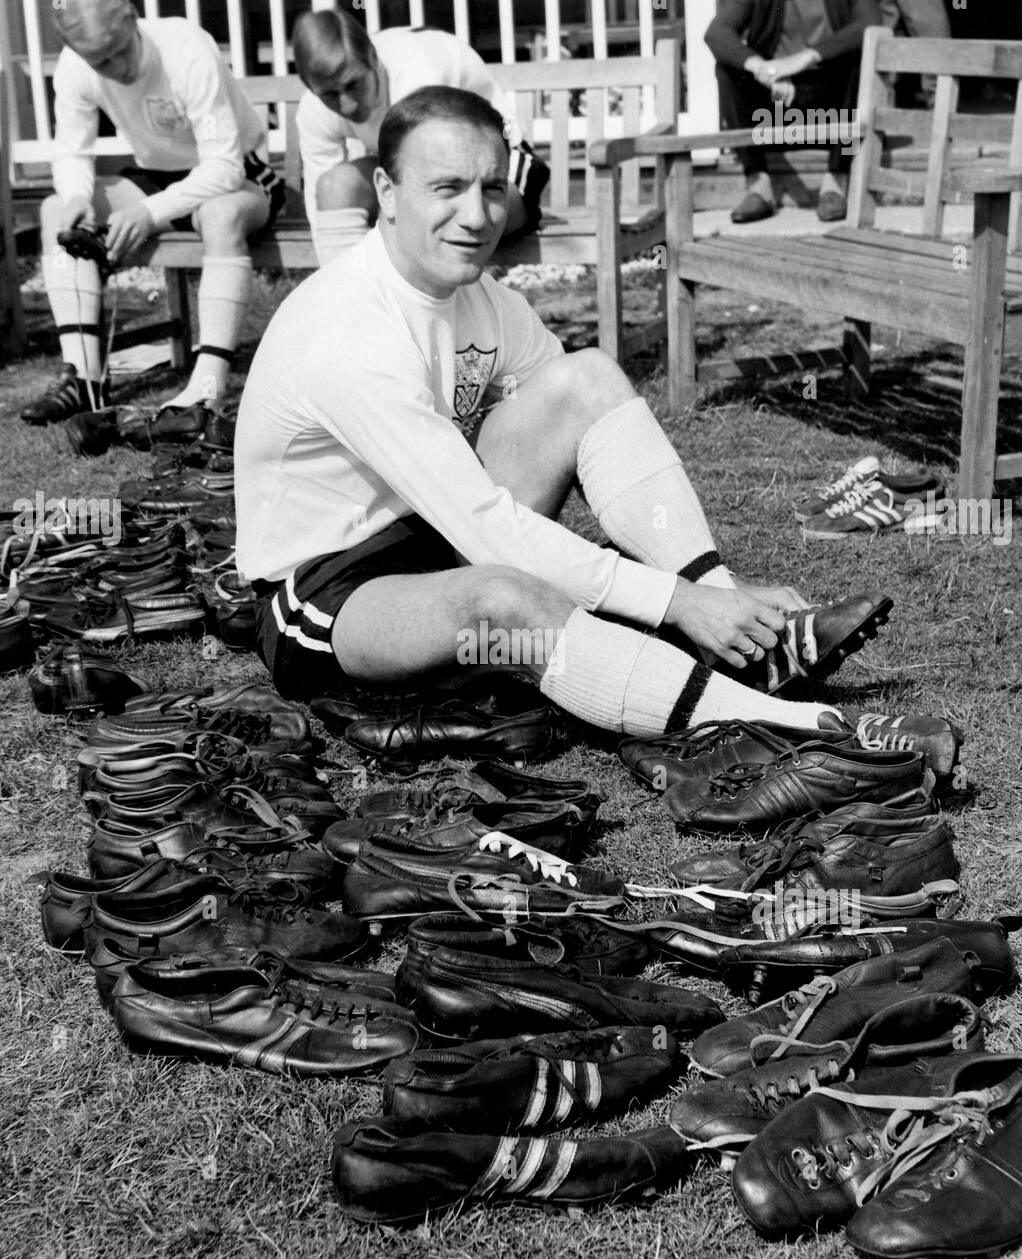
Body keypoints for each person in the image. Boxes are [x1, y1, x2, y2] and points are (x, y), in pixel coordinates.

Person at [235, 85, 865, 742]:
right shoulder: (349, 330)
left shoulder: (477, 296)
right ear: (387, 193)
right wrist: (675, 603)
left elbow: (585, 421)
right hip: (327, 592)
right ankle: (787, 724)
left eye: (491, 188)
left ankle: (740, 636)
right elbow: (489, 533)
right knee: (506, 599)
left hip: (429, 529)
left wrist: (703, 589)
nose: (476, 215)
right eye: (445, 188)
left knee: (586, 378)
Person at [21, 0, 285, 426]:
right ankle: (84, 377)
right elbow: (71, 151)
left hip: (238, 177)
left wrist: (148, 212)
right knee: (56, 211)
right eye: (99, 62)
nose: (115, 68)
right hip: (155, 178)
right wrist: (76, 197)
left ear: (130, 17)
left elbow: (224, 166)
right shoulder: (76, 65)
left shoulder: (185, 47)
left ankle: (208, 387)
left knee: (219, 215)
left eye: (119, 51)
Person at [292, 10, 540, 265]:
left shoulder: (419, 72)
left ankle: (411, 301)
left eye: (354, 85)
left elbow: (434, 187)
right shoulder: (313, 108)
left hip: (500, 172)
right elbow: (320, 206)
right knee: (335, 186)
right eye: (329, 95)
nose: (347, 106)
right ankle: (349, 300)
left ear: (372, 57)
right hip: (424, 182)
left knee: (432, 217)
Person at [705, 0, 881, 224]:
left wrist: (805, 58)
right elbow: (716, 32)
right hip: (775, 111)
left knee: (859, 65)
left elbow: (871, 24)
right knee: (728, 70)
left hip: (832, 109)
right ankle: (758, 186)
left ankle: (836, 183)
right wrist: (763, 69)